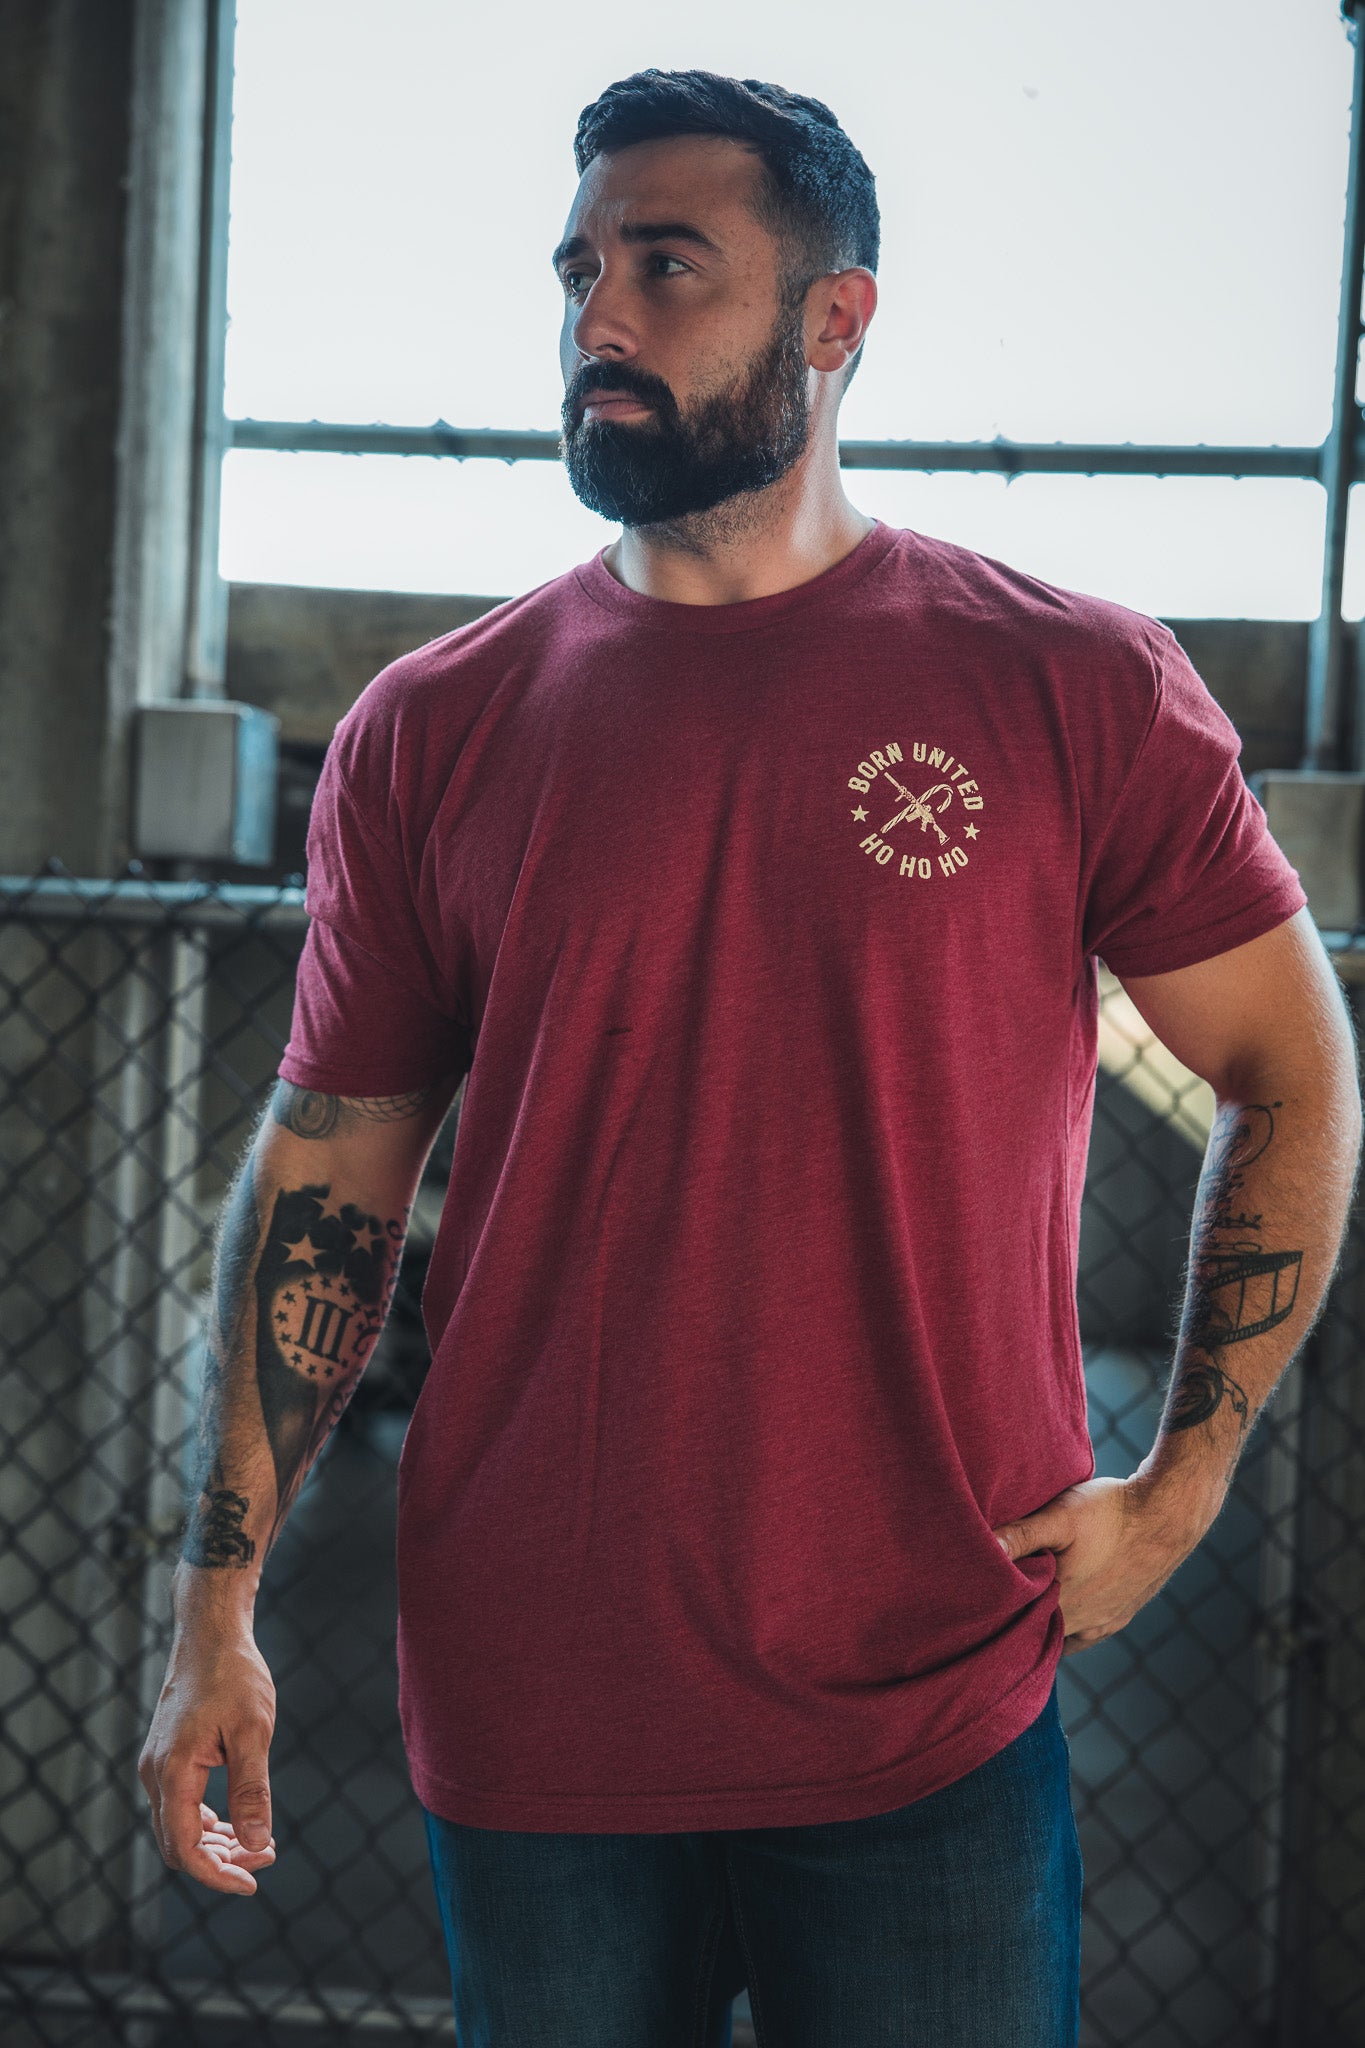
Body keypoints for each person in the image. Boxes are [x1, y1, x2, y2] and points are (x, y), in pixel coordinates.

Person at [138, 67, 1361, 2048]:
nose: (593, 322)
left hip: (930, 1693)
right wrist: (219, 1596)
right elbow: (329, 1163)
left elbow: (1289, 1069)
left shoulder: (1066, 683)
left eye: (664, 269)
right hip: (534, 1701)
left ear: (832, 319)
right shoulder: (428, 729)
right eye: (575, 272)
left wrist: (1183, 1478)